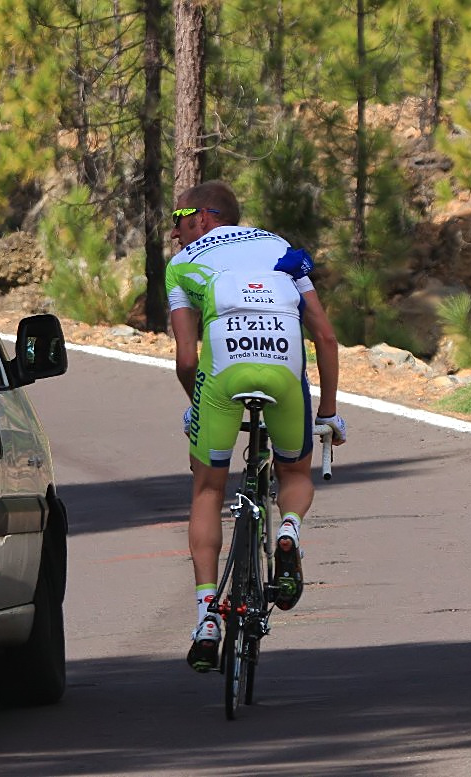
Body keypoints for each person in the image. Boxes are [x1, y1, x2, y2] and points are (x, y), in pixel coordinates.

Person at [165, 180, 347, 673]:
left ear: (203, 217)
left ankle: (206, 617)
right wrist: (327, 412)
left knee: (206, 489)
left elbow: (187, 358)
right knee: (295, 475)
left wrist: (196, 404)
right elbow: (326, 338)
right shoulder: (283, 248)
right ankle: (288, 531)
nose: (174, 229)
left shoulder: (182, 265)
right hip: (284, 370)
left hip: (223, 375)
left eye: (178, 216)